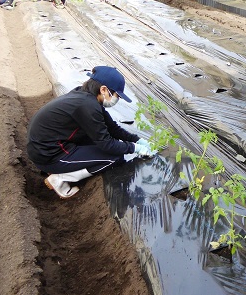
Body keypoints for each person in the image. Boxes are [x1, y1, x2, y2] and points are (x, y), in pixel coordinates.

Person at [27, 66, 155, 199]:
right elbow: (107, 144)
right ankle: (59, 178)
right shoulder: (87, 106)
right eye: (117, 96)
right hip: (48, 155)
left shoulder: (86, 97)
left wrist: (136, 139)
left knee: (101, 141)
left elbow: (112, 128)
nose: (118, 100)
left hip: (47, 146)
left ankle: (61, 169)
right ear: (104, 89)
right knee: (114, 158)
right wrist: (135, 148)